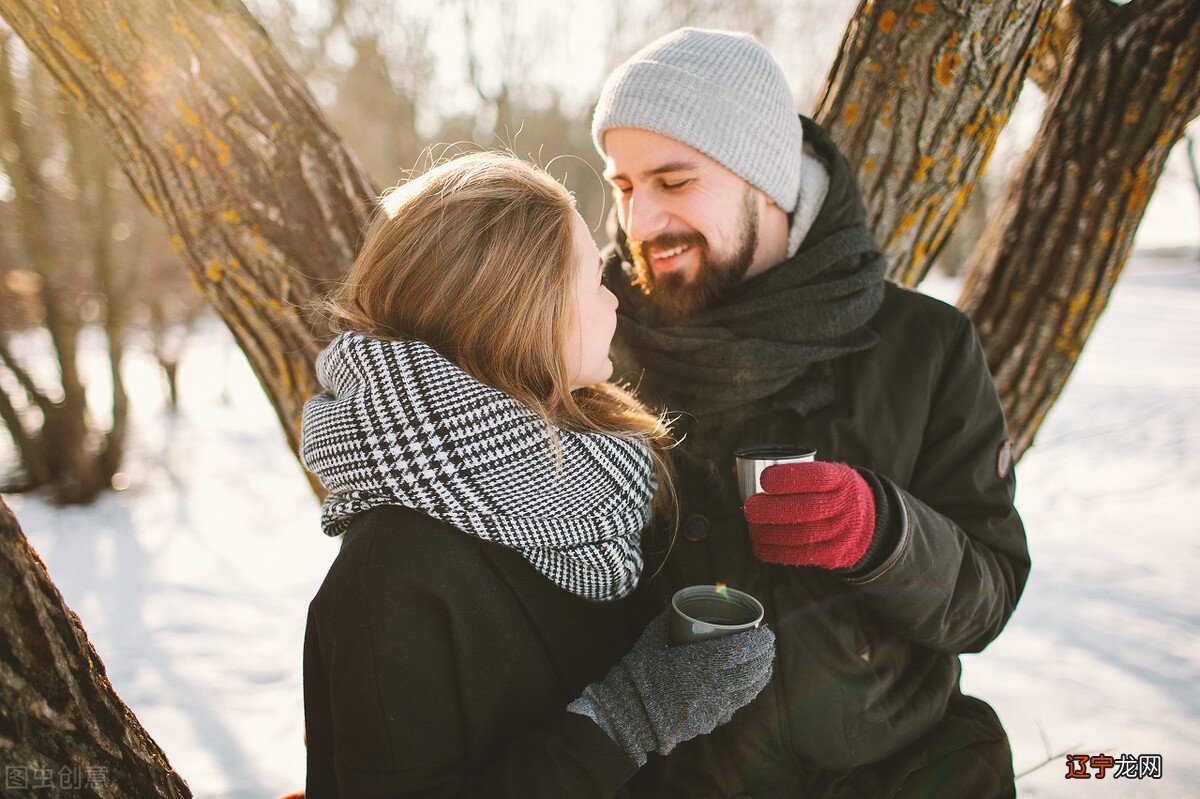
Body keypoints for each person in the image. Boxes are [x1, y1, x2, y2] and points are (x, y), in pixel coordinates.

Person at [591, 28, 1031, 797]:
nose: (642, 222)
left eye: (674, 180)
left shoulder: (923, 347)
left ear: (763, 177)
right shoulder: (599, 350)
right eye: (625, 187)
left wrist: (883, 531)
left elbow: (986, 600)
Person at [298, 152, 776, 798]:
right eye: (591, 278)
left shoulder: (601, 468)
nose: (614, 297)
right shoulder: (391, 573)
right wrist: (625, 718)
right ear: (522, 312)